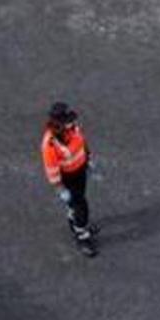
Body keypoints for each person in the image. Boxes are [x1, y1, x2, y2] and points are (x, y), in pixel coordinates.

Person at [41, 101, 98, 257]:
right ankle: (82, 235)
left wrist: (88, 158)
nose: (71, 122)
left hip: (80, 171)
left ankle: (78, 222)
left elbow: (82, 142)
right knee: (80, 205)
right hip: (68, 177)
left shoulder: (73, 128)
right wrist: (60, 188)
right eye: (67, 120)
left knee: (78, 202)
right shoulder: (51, 144)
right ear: (58, 123)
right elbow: (52, 169)